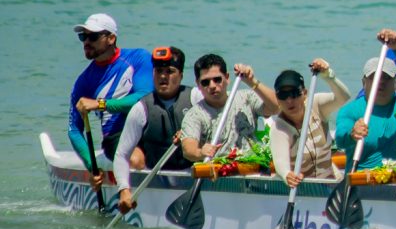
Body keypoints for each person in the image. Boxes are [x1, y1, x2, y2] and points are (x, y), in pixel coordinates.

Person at [68, 13, 154, 190]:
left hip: (148, 128)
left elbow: (144, 97)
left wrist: (100, 104)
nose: (86, 42)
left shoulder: (138, 58)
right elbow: (74, 130)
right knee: (137, 161)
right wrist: (92, 167)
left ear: (111, 38)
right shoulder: (84, 81)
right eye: (83, 37)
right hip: (117, 135)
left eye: (92, 36)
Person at [112, 46, 199, 214]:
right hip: (156, 178)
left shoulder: (196, 98)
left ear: (181, 75)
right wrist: (124, 190)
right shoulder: (140, 109)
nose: (163, 76)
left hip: (192, 174)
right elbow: (121, 154)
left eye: (170, 71)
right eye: (158, 71)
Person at [335, 29, 396, 171]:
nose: (380, 82)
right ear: (363, 82)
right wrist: (351, 133)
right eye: (374, 77)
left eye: (386, 77)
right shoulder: (351, 111)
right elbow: (340, 139)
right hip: (361, 183)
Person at [180, 54, 279, 162]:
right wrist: (200, 153)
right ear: (198, 85)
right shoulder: (195, 114)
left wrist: (252, 81)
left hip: (251, 167)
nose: (212, 85)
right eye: (205, 82)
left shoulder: (246, 98)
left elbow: (276, 108)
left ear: (227, 78)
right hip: (219, 171)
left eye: (217, 79)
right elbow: (188, 150)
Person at [268, 59, 351, 187]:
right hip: (303, 189)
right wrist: (287, 175)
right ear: (278, 100)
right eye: (283, 95)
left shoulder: (316, 105)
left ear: (305, 94)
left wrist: (328, 75)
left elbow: (344, 97)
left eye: (294, 93)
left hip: (332, 181)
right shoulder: (279, 128)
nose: (289, 100)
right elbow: (280, 162)